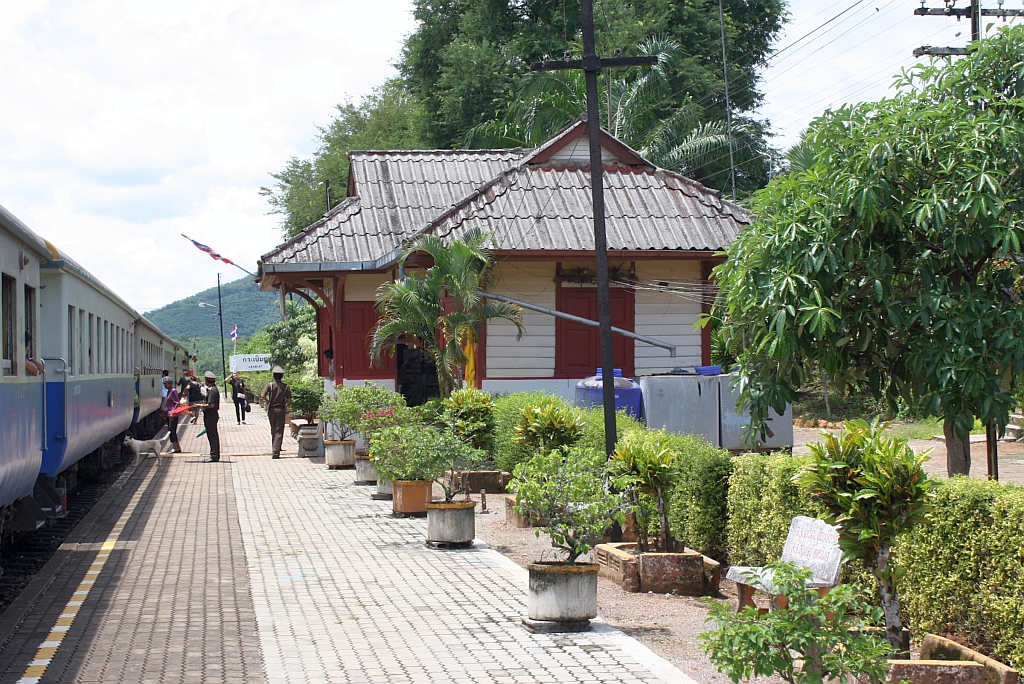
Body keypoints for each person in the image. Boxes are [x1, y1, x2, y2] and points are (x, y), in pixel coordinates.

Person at [261, 366, 291, 459]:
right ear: (282, 376)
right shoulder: (286, 386)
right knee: (279, 430)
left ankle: (275, 447)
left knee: (273, 429)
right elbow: (289, 399)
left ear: (274, 376)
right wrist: (284, 403)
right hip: (281, 409)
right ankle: (276, 450)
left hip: (271, 410)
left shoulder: (269, 385)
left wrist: (268, 401)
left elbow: (262, 395)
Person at [200, 370, 220, 463]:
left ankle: (214, 456)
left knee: (212, 436)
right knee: (212, 435)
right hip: (212, 415)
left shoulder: (212, 391)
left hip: (210, 415)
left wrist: (199, 406)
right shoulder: (213, 389)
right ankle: (214, 455)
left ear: (207, 381)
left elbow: (211, 405)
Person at [162, 376, 183, 453]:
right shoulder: (169, 390)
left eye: (165, 384)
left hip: (172, 415)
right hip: (169, 414)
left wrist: (173, 413)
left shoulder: (173, 391)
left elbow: (177, 403)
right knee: (171, 430)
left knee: (172, 430)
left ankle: (176, 447)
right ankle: (177, 447)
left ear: (169, 383)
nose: (164, 385)